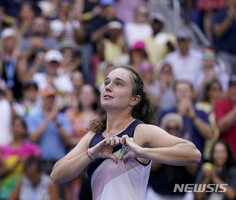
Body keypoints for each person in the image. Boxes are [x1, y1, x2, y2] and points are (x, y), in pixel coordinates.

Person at [51, 66, 201, 200]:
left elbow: (193, 153)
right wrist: (91, 154)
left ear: (134, 99)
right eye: (106, 83)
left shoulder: (140, 131)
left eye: (118, 84)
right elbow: (56, 175)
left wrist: (142, 152)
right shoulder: (92, 136)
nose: (108, 87)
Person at [158, 80, 213, 162]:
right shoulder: (166, 113)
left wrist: (193, 116)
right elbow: (158, 136)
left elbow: (210, 135)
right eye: (179, 90)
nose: (183, 93)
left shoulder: (201, 113)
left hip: (195, 162)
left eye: (186, 90)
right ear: (174, 94)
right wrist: (179, 115)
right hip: (169, 161)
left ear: (192, 93)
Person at [147, 113, 197, 200]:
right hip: (157, 194)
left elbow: (193, 170)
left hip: (181, 195)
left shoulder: (186, 145)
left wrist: (182, 149)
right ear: (163, 129)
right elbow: (153, 167)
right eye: (169, 128)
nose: (172, 132)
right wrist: (166, 146)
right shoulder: (155, 144)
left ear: (180, 129)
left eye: (176, 128)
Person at [26, 88, 72, 175]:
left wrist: (56, 122)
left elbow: (68, 140)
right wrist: (49, 118)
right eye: (48, 97)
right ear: (42, 99)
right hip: (39, 163)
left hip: (59, 163)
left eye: (53, 98)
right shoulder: (33, 117)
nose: (51, 100)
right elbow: (33, 138)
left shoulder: (62, 118)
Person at [0, 117, 42, 200]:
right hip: (5, 192)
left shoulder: (33, 149)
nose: (16, 128)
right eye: (14, 125)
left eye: (20, 126)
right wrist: (16, 163)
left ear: (25, 130)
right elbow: (0, 173)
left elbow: (37, 169)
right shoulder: (2, 149)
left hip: (25, 192)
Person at [196, 80, 222, 161]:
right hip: (203, 146)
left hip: (220, 147)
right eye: (213, 89)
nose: (216, 92)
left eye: (219, 89)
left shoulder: (224, 107)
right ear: (207, 91)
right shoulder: (199, 106)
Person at [214, 75, 236, 161]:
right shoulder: (221, 104)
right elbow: (221, 126)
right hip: (227, 157)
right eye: (232, 87)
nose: (234, 90)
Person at [212, 0, 236, 75]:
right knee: (226, 77)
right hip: (224, 53)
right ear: (225, 2)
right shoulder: (218, 15)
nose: (231, 3)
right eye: (229, 1)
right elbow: (218, 33)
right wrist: (228, 18)